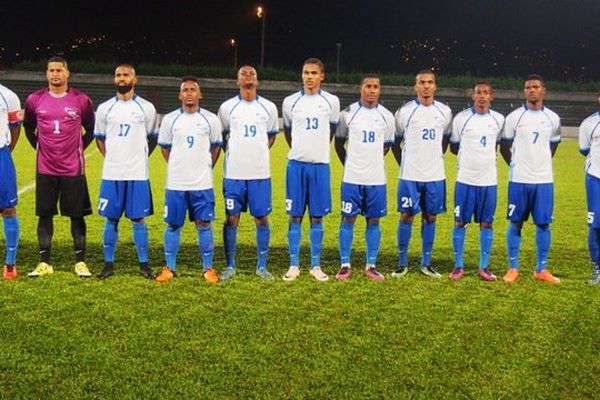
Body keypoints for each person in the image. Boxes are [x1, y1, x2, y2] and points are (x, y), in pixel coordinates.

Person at [23, 56, 95, 278]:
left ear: (67, 73)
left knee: (76, 216)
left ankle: (80, 262)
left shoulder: (81, 100)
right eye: (51, 70)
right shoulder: (35, 100)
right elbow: (28, 128)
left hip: (73, 169)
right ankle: (45, 263)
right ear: (46, 73)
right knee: (45, 215)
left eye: (59, 70)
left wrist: (76, 148)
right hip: (45, 168)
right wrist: (41, 148)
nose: (55, 74)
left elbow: (90, 130)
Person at [155, 76, 222, 283]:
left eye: (193, 90)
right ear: (180, 95)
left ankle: (208, 268)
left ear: (200, 94)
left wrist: (203, 166)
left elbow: (216, 147)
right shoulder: (170, 120)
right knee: (173, 225)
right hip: (176, 184)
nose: (189, 93)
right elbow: (165, 149)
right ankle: (169, 268)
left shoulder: (211, 119)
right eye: (185, 90)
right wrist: (179, 167)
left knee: (204, 224)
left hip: (202, 184)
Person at [94, 64, 157, 280]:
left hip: (138, 174)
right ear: (114, 79)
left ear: (134, 79)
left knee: (138, 219)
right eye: (118, 75)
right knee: (110, 219)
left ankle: (144, 264)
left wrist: (137, 158)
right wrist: (114, 159)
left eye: (126, 75)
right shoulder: (104, 109)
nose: (122, 78)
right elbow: (100, 139)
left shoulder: (146, 108)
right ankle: (108, 264)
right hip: (112, 173)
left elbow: (153, 138)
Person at [218, 65, 279, 281]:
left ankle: (262, 267)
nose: (248, 76)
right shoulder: (227, 108)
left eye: (252, 73)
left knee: (261, 218)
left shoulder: (269, 107)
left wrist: (255, 154)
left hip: (260, 174)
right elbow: (224, 136)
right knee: (231, 218)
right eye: (243, 74)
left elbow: (270, 137)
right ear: (237, 82)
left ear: (257, 80)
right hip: (234, 174)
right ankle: (230, 265)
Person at [281, 57, 340, 282]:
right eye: (306, 72)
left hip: (320, 166)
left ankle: (316, 265)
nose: (309, 77)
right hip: (296, 165)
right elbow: (288, 132)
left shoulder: (331, 101)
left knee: (317, 217)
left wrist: (316, 151)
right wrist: (301, 150)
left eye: (314, 73)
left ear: (322, 76)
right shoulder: (290, 102)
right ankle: (294, 264)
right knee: (294, 216)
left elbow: (331, 130)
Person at [500, 74, 561, 283]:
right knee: (515, 222)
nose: (532, 91)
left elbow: (553, 145)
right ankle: (513, 267)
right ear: (524, 91)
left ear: (543, 90)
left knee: (543, 224)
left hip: (544, 180)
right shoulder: (514, 117)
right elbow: (505, 146)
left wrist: (538, 164)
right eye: (528, 88)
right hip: (519, 180)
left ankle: (541, 269)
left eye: (535, 87)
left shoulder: (553, 118)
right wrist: (517, 165)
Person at [392, 69, 452, 279]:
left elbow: (444, 141)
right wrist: (408, 165)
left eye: (430, 82)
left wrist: (432, 159)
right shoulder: (404, 112)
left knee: (430, 216)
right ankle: (402, 262)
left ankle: (426, 263)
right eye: (422, 82)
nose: (426, 86)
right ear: (415, 86)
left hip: (435, 175)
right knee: (406, 216)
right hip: (409, 176)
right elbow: (396, 143)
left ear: (435, 86)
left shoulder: (444, 112)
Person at [334, 75, 394, 281]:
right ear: (361, 88)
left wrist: (371, 162)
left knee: (374, 221)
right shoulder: (347, 114)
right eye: (368, 86)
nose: (371, 90)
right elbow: (338, 144)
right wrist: (352, 163)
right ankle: (345, 264)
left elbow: (386, 146)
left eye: (375, 87)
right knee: (347, 219)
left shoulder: (387, 116)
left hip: (376, 179)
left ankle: (371, 265)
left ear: (379, 90)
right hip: (352, 178)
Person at [448, 81, 505, 281]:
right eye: (478, 93)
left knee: (486, 224)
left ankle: (484, 267)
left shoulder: (498, 120)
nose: (482, 96)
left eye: (486, 93)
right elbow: (454, 146)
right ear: (473, 96)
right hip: (465, 180)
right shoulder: (461, 119)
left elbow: (499, 145)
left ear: (492, 96)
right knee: (460, 222)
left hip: (489, 182)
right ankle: (458, 266)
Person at [578, 89, 600, 284]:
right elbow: (584, 150)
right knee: (595, 226)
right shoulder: (589, 123)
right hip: (596, 178)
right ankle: (596, 269)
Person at [0, 83, 22, 279]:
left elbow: (16, 128)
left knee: (8, 209)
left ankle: (10, 262)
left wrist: (7, 151)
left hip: (1, 155)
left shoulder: (8, 96)